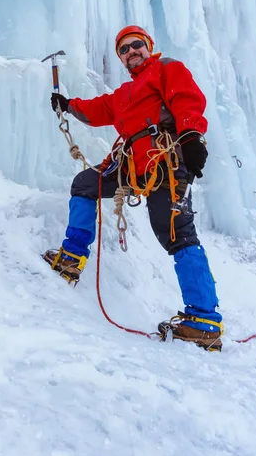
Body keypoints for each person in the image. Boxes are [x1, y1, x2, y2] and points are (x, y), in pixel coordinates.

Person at [44, 25, 223, 351]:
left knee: (176, 232)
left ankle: (204, 321)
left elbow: (186, 100)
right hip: (129, 165)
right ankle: (71, 258)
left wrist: (192, 135)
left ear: (148, 46)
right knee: (84, 184)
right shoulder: (123, 94)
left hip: (164, 162)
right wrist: (68, 104)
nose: (130, 52)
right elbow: (97, 109)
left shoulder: (166, 68)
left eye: (136, 45)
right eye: (123, 50)